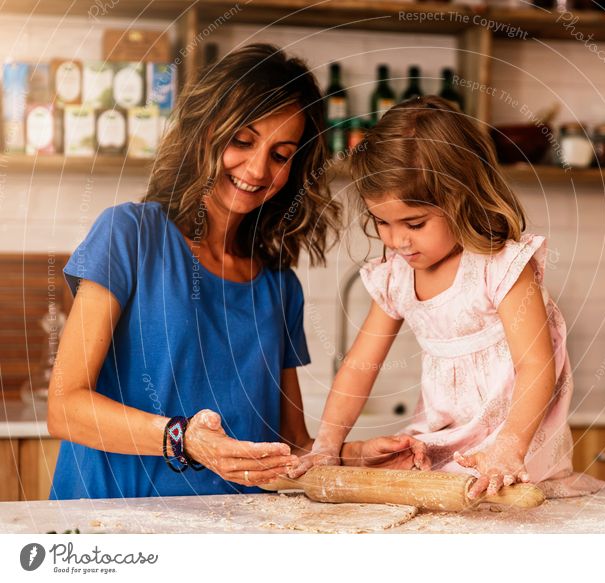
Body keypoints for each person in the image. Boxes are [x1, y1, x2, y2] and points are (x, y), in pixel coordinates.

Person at [47, 44, 428, 500]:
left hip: (234, 535)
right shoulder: (129, 236)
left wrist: (353, 454)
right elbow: (65, 407)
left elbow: (289, 446)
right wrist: (184, 438)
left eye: (281, 154)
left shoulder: (278, 286)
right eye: (242, 141)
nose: (257, 169)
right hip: (112, 530)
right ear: (204, 132)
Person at [292, 96, 604, 499]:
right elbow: (359, 365)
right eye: (381, 222)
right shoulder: (396, 276)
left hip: (516, 446)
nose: (396, 239)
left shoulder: (500, 266)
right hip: (446, 444)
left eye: (414, 223)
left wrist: (510, 445)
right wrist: (327, 446)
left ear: (461, 197)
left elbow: (535, 364)